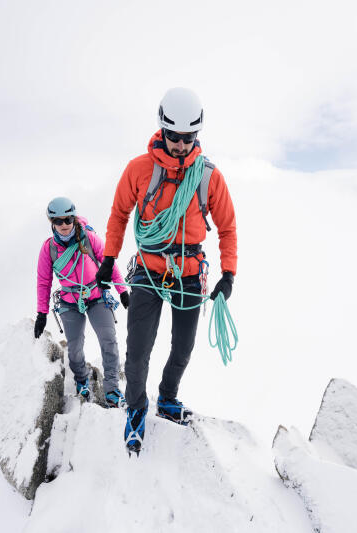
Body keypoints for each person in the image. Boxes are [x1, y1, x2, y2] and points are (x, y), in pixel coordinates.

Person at [95, 87, 237, 454]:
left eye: (187, 138)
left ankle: (167, 397)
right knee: (138, 350)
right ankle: (136, 408)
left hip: (189, 271)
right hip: (148, 267)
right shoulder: (139, 170)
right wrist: (109, 258)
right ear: (162, 130)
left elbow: (227, 227)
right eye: (173, 136)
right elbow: (119, 214)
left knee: (183, 347)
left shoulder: (208, 177)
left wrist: (228, 273)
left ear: (196, 135)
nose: (179, 144)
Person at [34, 196, 129, 408]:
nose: (64, 225)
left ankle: (112, 390)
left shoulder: (89, 238)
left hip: (96, 295)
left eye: (68, 219)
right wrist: (42, 313)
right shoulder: (48, 249)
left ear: (74, 218)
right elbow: (43, 281)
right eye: (58, 221)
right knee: (75, 347)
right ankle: (81, 380)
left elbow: (108, 263)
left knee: (108, 340)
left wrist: (122, 290)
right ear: (52, 223)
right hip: (69, 301)